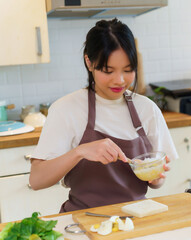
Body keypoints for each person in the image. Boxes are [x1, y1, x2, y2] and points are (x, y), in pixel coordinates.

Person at [29, 18, 178, 213]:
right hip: (82, 221)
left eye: (128, 70)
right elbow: (36, 180)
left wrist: (156, 177)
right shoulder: (66, 109)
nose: (120, 80)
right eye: (108, 71)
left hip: (137, 219)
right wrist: (80, 152)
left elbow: (156, 182)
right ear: (89, 62)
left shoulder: (147, 110)